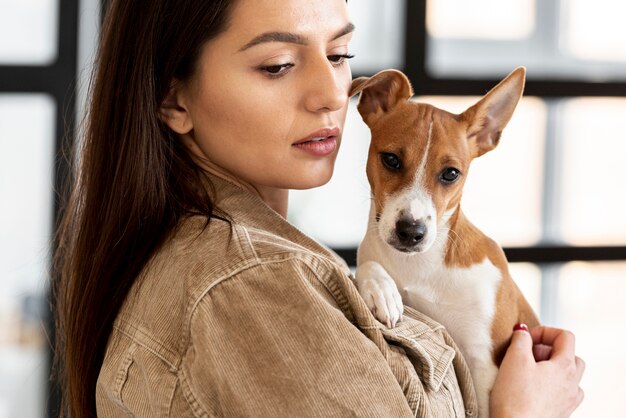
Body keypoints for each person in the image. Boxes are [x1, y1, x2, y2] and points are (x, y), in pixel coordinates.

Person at [52, 0, 585, 416]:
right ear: (174, 101)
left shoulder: (198, 251)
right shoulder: (256, 285)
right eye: (278, 65)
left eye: (338, 55)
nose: (332, 94)